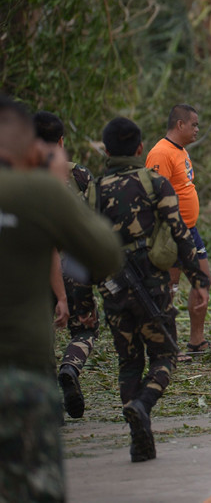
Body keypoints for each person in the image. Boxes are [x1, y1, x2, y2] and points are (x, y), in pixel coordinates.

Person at [0, 95, 122, 500]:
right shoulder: (39, 191)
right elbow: (104, 252)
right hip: (21, 373)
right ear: (30, 145)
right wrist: (54, 182)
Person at [93, 116, 209, 462]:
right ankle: (143, 405)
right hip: (152, 287)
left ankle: (137, 434)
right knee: (165, 355)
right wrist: (198, 278)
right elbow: (179, 231)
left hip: (112, 288)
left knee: (128, 363)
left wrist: (81, 298)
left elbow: (79, 245)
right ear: (140, 149)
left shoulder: (93, 190)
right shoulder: (154, 183)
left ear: (107, 150)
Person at [34, 111, 101, 418]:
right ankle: (71, 368)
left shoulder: (19, 176)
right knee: (86, 328)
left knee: (40, 334)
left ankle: (50, 407)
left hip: (32, 265)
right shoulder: (79, 175)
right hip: (73, 265)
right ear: (62, 141)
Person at [146, 104, 211, 356]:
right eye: (194, 124)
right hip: (171, 232)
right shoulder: (160, 153)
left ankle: (197, 341)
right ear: (180, 125)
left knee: (202, 280)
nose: (197, 129)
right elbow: (154, 195)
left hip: (190, 230)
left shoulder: (181, 151)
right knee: (169, 287)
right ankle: (164, 344)